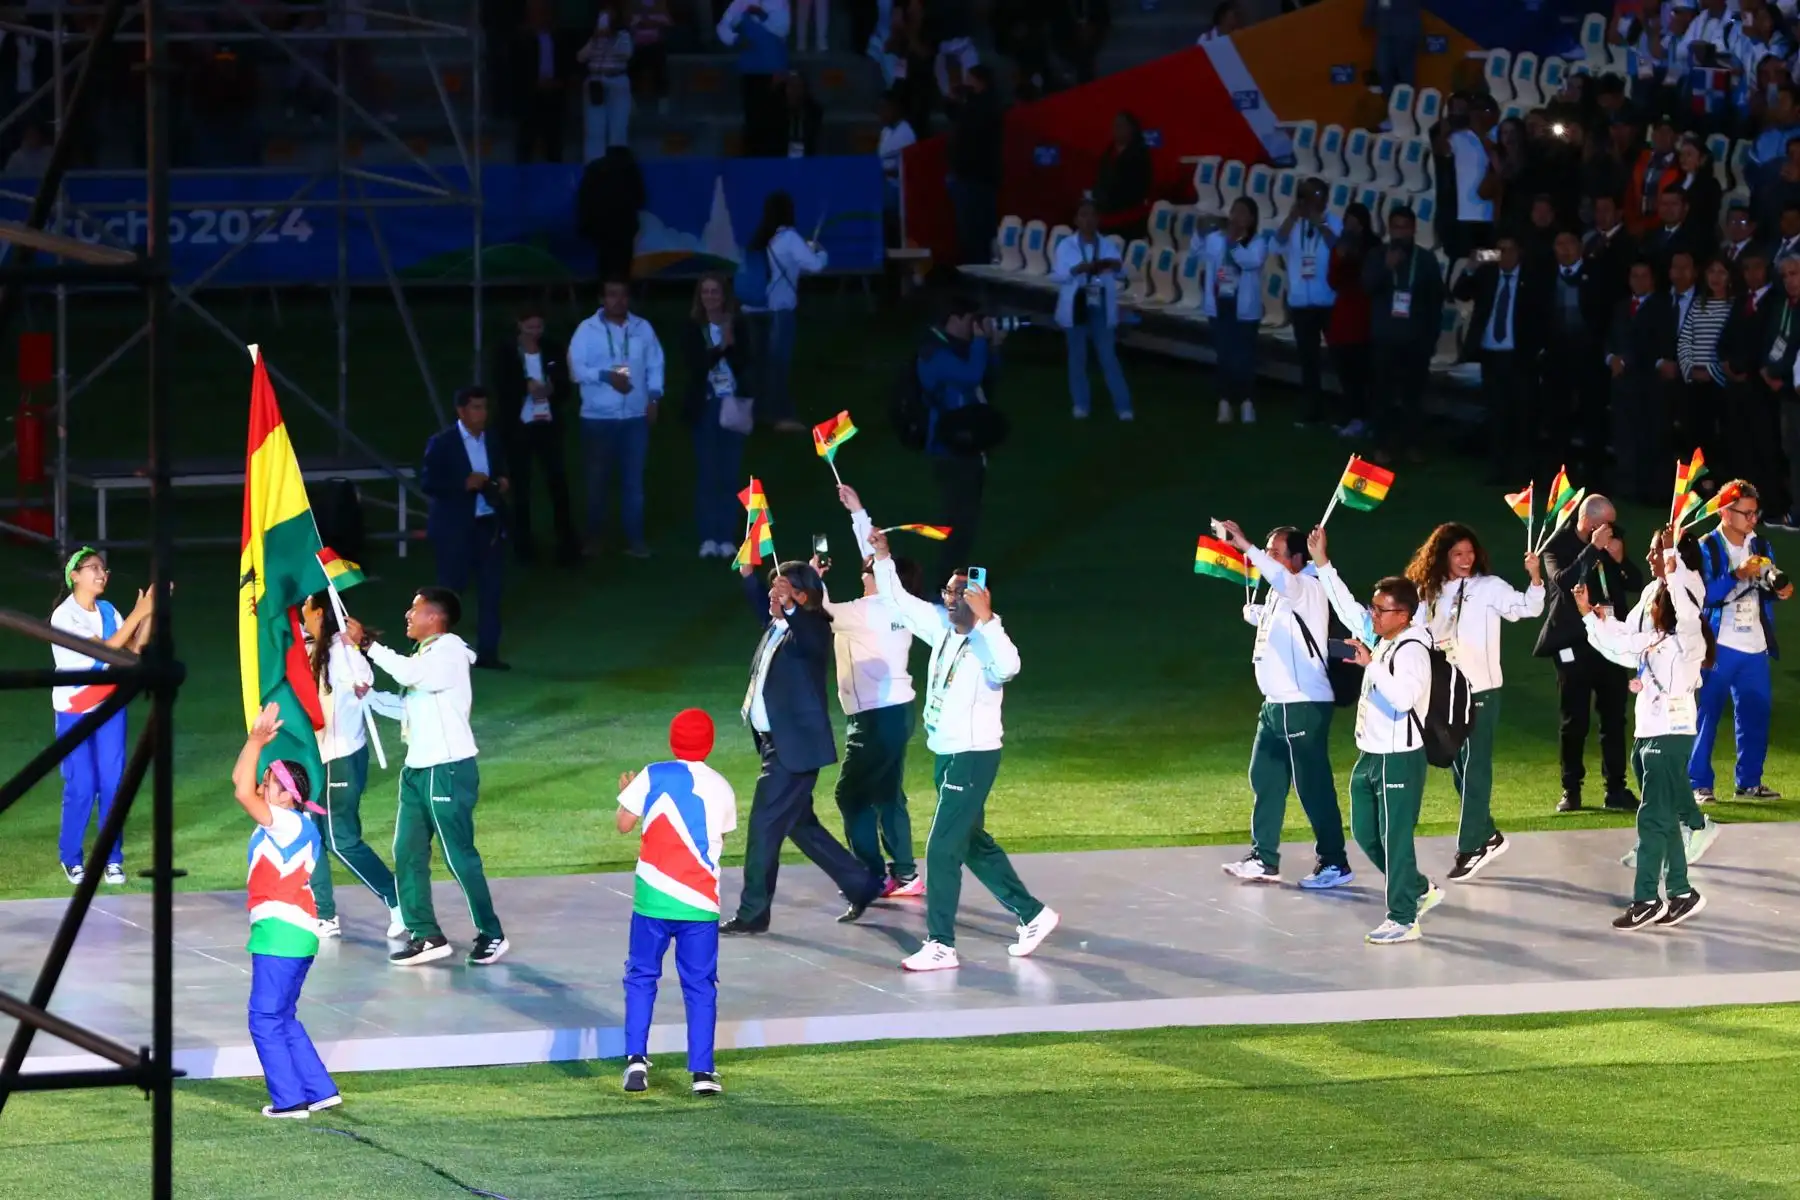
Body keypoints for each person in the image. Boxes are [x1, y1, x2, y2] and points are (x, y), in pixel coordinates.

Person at [866, 526, 1058, 971]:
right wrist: (880, 553)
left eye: (961, 594)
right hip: (948, 753)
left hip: (973, 756)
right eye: (948, 592)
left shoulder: (988, 641)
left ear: (978, 600)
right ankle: (1033, 914)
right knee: (971, 843)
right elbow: (896, 600)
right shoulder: (943, 629)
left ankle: (941, 944)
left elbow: (1010, 666)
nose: (951, 599)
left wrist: (988, 619)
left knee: (940, 848)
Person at [346, 589, 508, 968]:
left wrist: (368, 643)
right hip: (417, 770)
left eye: (414, 609)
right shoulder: (426, 656)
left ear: (434, 618)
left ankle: (492, 933)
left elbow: (412, 675)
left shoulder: (448, 650)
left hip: (447, 768)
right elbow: (409, 706)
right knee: (406, 851)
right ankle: (426, 935)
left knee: (458, 856)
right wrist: (369, 697)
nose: (407, 614)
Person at [723, 560, 883, 934]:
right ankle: (861, 883)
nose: (773, 595)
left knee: (764, 827)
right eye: (772, 588)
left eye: (782, 589)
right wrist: (750, 578)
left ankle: (753, 913)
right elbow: (766, 608)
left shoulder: (810, 629)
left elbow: (808, 634)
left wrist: (794, 606)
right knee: (799, 825)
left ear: (801, 597)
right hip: (774, 746)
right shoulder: (777, 627)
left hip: (790, 753)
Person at [1310, 530, 1444, 945]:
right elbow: (1347, 608)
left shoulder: (1412, 651)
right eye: (1374, 608)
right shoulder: (1383, 640)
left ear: (1405, 616)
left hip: (1398, 757)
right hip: (1370, 754)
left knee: (1396, 838)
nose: (1374, 616)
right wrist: (1322, 563)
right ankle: (1418, 888)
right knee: (1367, 834)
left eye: (1383, 611)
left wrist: (1370, 666)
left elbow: (1404, 698)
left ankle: (1403, 917)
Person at [1577, 539, 1710, 930]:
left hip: (1671, 736)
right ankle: (1683, 892)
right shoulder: (1653, 639)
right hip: (1648, 733)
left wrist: (1674, 569)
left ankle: (1647, 899)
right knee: (1663, 819)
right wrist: (1588, 615)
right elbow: (1617, 643)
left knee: (1651, 818)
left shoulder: (1689, 639)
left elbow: (1686, 609)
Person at [1213, 520, 1353, 890]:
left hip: (1303, 704)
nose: (1267, 558)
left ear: (1295, 558)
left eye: (1275, 553)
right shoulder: (1284, 591)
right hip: (1276, 705)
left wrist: (1243, 543)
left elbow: (1282, 582)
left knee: (1313, 786)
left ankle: (1334, 862)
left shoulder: (1307, 585)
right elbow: (1288, 627)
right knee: (1265, 778)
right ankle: (1264, 858)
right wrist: (1258, 615)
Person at [1402, 523, 1544, 880]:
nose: (1466, 560)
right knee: (1458, 765)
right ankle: (1488, 833)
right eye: (1457, 554)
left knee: (1476, 765)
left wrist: (1536, 577)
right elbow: (1416, 633)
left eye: (1470, 553)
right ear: (1442, 557)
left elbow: (1526, 608)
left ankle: (1471, 847)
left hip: (1481, 690)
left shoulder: (1489, 587)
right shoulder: (1427, 593)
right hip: (1444, 693)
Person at [617, 709, 735, 1097]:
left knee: (641, 976)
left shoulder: (652, 774)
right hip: (700, 905)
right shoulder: (721, 786)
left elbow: (624, 824)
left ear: (672, 740)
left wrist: (627, 791)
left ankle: (636, 1059)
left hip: (652, 900)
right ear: (710, 743)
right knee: (700, 985)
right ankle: (702, 1073)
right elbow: (720, 838)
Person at [233, 703, 340, 1119]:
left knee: (263, 1018)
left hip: (280, 932)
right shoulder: (291, 823)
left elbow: (241, 790)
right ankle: (319, 1089)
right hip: (296, 933)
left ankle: (289, 1100)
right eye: (266, 779)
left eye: (272, 783)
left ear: (289, 798)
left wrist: (256, 740)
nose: (262, 785)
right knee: (282, 1016)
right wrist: (255, 747)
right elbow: (242, 783)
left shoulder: (285, 821)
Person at [826, 484, 926, 896]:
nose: (863, 570)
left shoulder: (863, 613)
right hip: (900, 711)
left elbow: (818, 610)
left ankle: (869, 876)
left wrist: (812, 580)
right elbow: (876, 559)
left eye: (868, 569)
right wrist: (858, 513)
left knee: (851, 796)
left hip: (872, 717)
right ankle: (905, 874)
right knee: (887, 792)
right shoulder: (903, 605)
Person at [301, 591, 404, 941]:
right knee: (311, 835)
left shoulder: (341, 652)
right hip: (319, 760)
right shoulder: (312, 647)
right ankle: (324, 914)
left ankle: (399, 899)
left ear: (319, 612)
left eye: (305, 609)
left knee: (340, 839)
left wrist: (358, 656)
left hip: (341, 759)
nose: (301, 614)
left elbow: (363, 678)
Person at [50, 547, 151, 886]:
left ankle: (112, 858)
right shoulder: (65, 617)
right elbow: (104, 650)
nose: (100, 573)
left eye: (104, 568)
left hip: (108, 705)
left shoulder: (108, 610)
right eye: (92, 567)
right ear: (74, 576)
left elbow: (132, 651)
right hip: (75, 708)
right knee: (82, 785)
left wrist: (149, 613)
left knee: (112, 783)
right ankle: (71, 857)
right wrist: (138, 614)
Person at [1537, 494, 1644, 813]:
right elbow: (1563, 581)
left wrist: (1621, 560)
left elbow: (1635, 582)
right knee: (1574, 720)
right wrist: (1593, 549)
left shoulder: (1613, 539)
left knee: (1614, 718)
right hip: (1574, 642)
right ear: (1589, 521)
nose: (1612, 529)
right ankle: (1571, 790)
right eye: (1605, 524)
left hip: (1610, 641)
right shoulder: (1558, 543)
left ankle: (1616, 789)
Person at [1691, 481, 1792, 801]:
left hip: (1755, 646)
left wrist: (1779, 591)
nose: (1752, 520)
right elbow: (1704, 594)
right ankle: (1699, 784)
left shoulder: (1761, 545)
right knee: (1706, 715)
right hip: (1718, 644)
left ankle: (1748, 783)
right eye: (1746, 513)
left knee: (1755, 715)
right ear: (1725, 511)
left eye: (1755, 513)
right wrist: (1739, 574)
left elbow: (1766, 587)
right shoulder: (1707, 547)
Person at [568, 278, 666, 560]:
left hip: (635, 416)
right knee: (597, 481)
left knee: (633, 484)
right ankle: (594, 538)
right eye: (612, 295)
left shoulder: (642, 328)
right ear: (602, 298)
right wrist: (605, 376)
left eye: (623, 295)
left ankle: (635, 539)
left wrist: (654, 397)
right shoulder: (587, 330)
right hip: (598, 417)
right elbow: (576, 368)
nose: (618, 301)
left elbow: (655, 363)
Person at [918, 296, 1006, 582]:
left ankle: (951, 582)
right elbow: (970, 376)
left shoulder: (956, 348)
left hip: (967, 445)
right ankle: (944, 586)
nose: (974, 326)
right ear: (954, 319)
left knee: (967, 520)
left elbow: (986, 378)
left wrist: (993, 346)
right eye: (970, 320)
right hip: (949, 449)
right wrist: (981, 343)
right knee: (958, 522)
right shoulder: (934, 352)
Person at [421, 386, 509, 670]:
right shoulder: (442, 443)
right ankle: (443, 656)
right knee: (449, 594)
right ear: (461, 411)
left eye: (484, 408)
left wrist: (502, 482)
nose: (482, 414)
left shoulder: (493, 439)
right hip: (454, 529)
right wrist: (463, 484)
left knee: (491, 590)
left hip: (487, 525)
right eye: (476, 408)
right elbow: (428, 483)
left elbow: (502, 470)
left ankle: (488, 653)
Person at [492, 307, 579, 568]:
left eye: (539, 327)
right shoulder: (505, 352)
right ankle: (523, 545)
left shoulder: (553, 348)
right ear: (519, 325)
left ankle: (567, 545)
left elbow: (565, 385)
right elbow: (501, 385)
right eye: (530, 328)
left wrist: (552, 389)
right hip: (518, 428)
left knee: (558, 483)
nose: (535, 333)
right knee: (521, 488)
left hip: (548, 426)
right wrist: (524, 386)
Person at [1454, 234, 1544, 484]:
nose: (1504, 256)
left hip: (1519, 357)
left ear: (1519, 253)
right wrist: (1472, 265)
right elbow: (1459, 293)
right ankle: (1498, 469)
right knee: (1496, 414)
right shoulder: (1487, 275)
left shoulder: (1531, 279)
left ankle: (1523, 471)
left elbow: (1542, 315)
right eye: (1499, 251)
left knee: (1522, 414)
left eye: (1509, 250)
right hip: (1491, 355)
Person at [1363, 205, 1443, 465]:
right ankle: (1381, 446)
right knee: (1382, 395)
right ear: (1388, 228)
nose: (1400, 232)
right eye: (1395, 227)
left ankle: (1412, 445)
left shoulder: (1426, 260)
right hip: (1385, 338)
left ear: (1413, 229)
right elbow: (1366, 286)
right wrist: (1386, 268)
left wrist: (1430, 340)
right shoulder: (1377, 255)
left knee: (1413, 397)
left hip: (1415, 339)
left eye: (1405, 227)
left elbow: (1435, 302)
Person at [741, 191, 827, 434]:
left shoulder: (760, 238)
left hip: (752, 309)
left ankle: (753, 414)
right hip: (778, 310)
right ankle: (781, 416)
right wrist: (819, 250)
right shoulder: (788, 238)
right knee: (778, 365)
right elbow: (816, 265)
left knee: (756, 364)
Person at [684, 273, 757, 559]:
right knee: (707, 472)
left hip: (732, 405)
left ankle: (726, 536)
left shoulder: (737, 325)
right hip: (705, 406)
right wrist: (720, 348)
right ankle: (707, 537)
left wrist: (731, 345)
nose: (711, 297)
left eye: (715, 292)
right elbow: (696, 364)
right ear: (699, 297)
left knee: (729, 472)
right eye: (706, 292)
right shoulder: (693, 328)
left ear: (724, 295)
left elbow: (745, 360)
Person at [1051, 197, 1132, 422]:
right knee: (1077, 356)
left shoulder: (1107, 245)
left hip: (1100, 304)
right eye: (1083, 215)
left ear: (1098, 219)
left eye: (1092, 215)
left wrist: (1115, 267)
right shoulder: (1066, 245)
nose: (1088, 220)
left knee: (1108, 356)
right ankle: (1081, 403)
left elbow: (1121, 273)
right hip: (1077, 303)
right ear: (1076, 219)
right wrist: (1077, 270)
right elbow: (1057, 275)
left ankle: (1123, 406)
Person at [1201, 196, 1269, 426]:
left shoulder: (1257, 242)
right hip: (1219, 306)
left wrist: (1233, 242)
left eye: (1243, 212)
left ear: (1251, 219)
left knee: (1245, 358)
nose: (1237, 216)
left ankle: (1247, 402)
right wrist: (1200, 229)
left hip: (1245, 309)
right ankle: (1224, 402)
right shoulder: (1214, 239)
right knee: (1224, 356)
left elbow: (1251, 262)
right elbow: (1196, 250)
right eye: (1234, 211)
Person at [1280, 178, 1342, 425]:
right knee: (1308, 360)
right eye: (1308, 196)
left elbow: (1339, 248)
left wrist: (1322, 224)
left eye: (1319, 195)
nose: (1314, 201)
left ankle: (1349, 410)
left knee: (1340, 357)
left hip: (1328, 302)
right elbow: (1275, 244)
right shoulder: (1293, 224)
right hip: (1301, 304)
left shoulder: (1334, 221)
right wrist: (1292, 218)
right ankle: (1312, 410)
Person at [1326, 202, 1377, 437]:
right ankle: (1351, 414)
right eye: (1348, 222)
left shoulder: (1374, 247)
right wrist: (1340, 257)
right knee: (1344, 368)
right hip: (1343, 314)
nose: (1351, 227)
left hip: (1363, 315)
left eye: (1355, 222)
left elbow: (1371, 280)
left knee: (1362, 371)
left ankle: (1364, 417)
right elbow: (1333, 279)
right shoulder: (1340, 247)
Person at [717, 0, 790, 157]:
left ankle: (778, 167)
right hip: (751, 71)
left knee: (776, 122)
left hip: (774, 71)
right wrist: (735, 39)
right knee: (753, 122)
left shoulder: (779, 2)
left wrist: (761, 15)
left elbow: (783, 29)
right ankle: (753, 166)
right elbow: (722, 26)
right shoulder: (740, 2)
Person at [577, 0, 634, 161]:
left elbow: (626, 53)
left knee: (619, 129)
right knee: (595, 130)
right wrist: (595, 40)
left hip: (618, 81)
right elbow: (580, 57)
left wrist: (611, 37)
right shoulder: (592, 37)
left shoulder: (623, 35)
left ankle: (617, 169)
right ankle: (593, 168)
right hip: (596, 82)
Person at [1447, 92, 1499, 262]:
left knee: (1491, 260)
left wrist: (1484, 137)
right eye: (1475, 110)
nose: (1479, 114)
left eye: (1484, 110)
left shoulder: (1500, 136)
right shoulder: (1457, 138)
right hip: (1464, 218)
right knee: (1465, 262)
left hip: (1492, 218)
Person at [1093, 111, 1152, 242]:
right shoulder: (1107, 154)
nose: (1117, 129)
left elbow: (1141, 185)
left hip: (1130, 219)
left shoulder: (1140, 154)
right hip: (1107, 217)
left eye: (1121, 125)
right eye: (1115, 126)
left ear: (1131, 129)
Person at [780, 70, 824, 157]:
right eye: (791, 87)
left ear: (804, 89)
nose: (794, 92)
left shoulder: (814, 113)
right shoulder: (776, 113)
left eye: (798, 87)